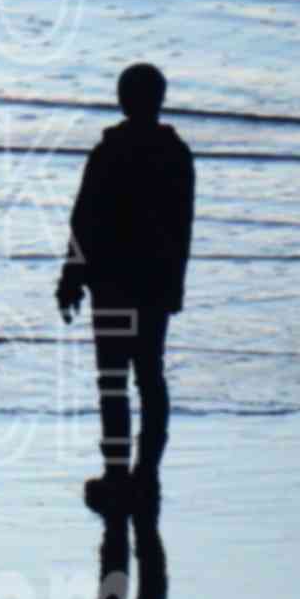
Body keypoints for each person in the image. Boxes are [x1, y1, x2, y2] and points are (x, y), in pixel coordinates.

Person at [55, 63, 194, 504]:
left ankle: (118, 474)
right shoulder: (176, 154)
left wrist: (71, 279)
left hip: (113, 283)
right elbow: (182, 228)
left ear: (123, 100)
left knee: (114, 378)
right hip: (154, 283)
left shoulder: (109, 153)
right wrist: (175, 283)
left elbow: (84, 221)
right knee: (150, 375)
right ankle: (146, 474)